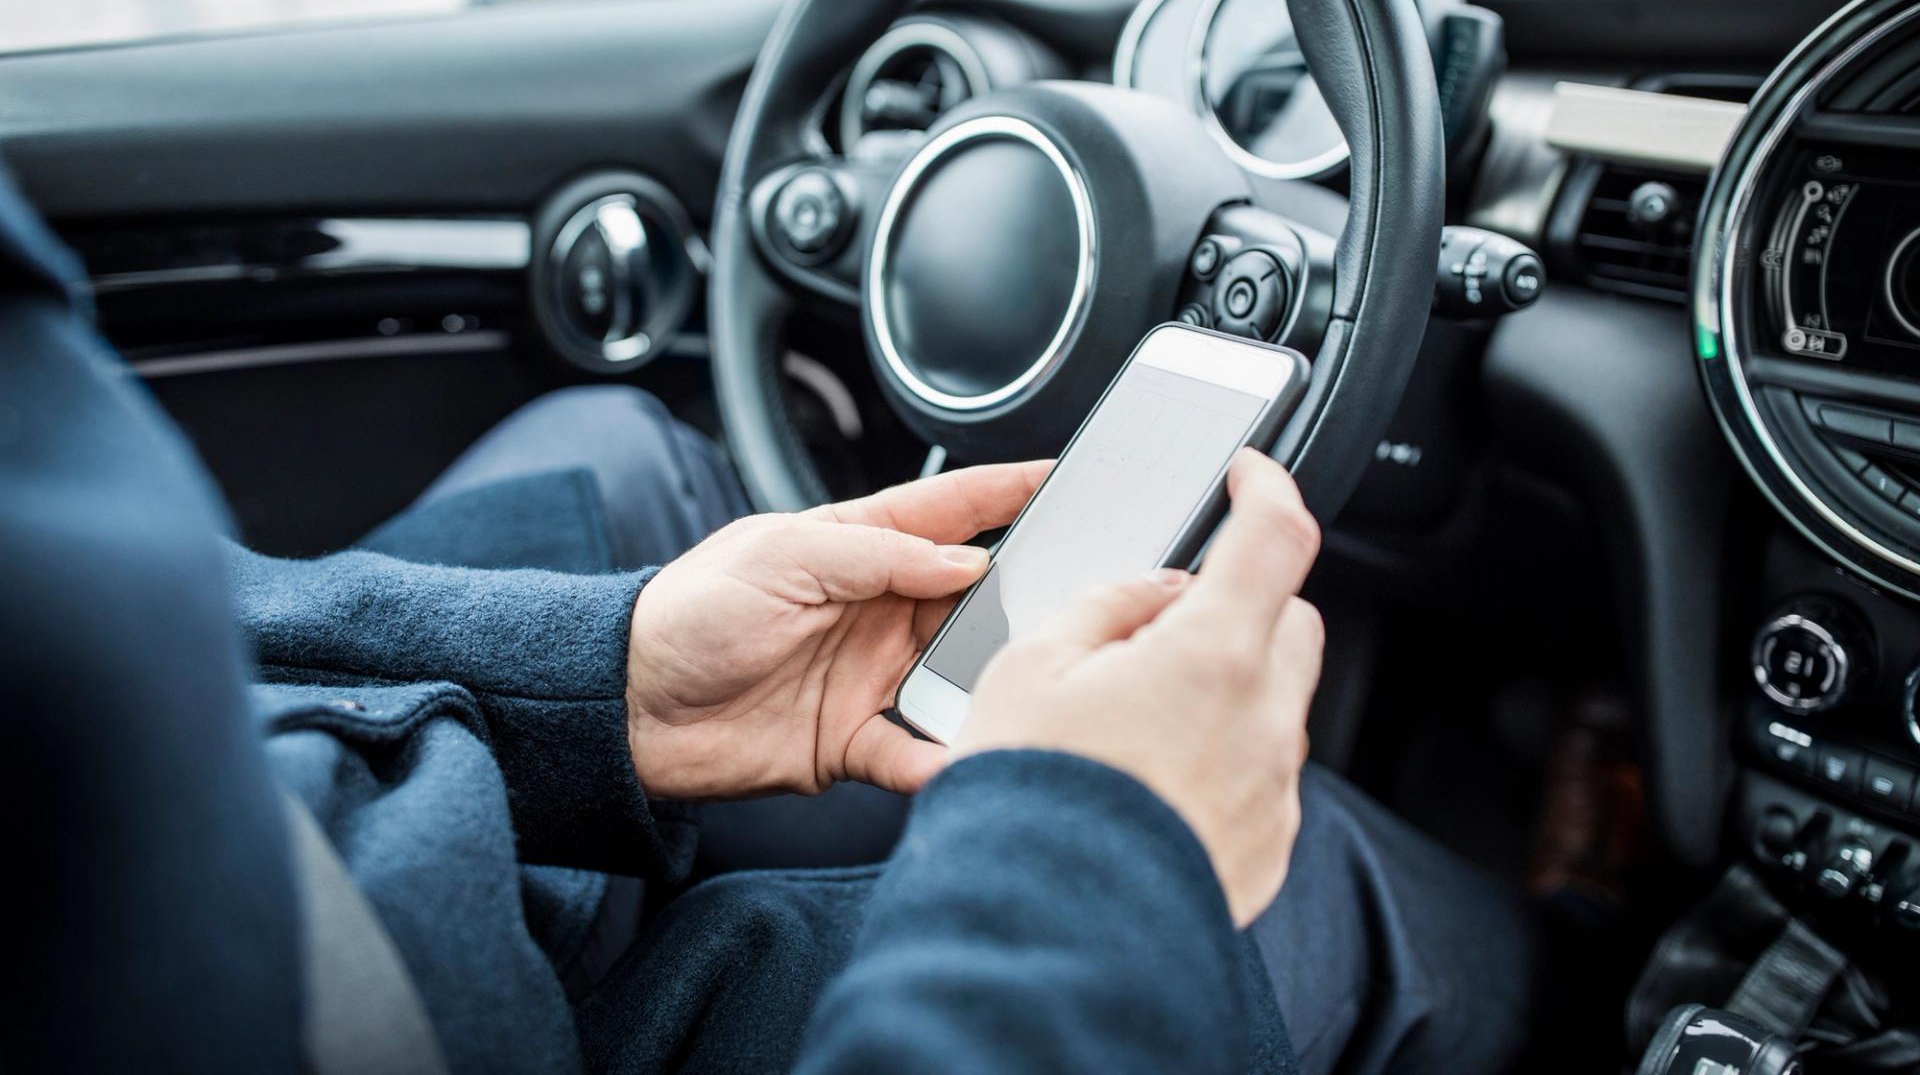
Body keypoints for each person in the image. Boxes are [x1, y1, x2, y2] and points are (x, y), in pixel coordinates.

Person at [0, 164, 1535, 1074]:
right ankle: (1593, 955)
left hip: (303, 845)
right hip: (382, 1010)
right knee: (1298, 876)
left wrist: (606, 684)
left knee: (615, 448)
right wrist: (1105, 846)